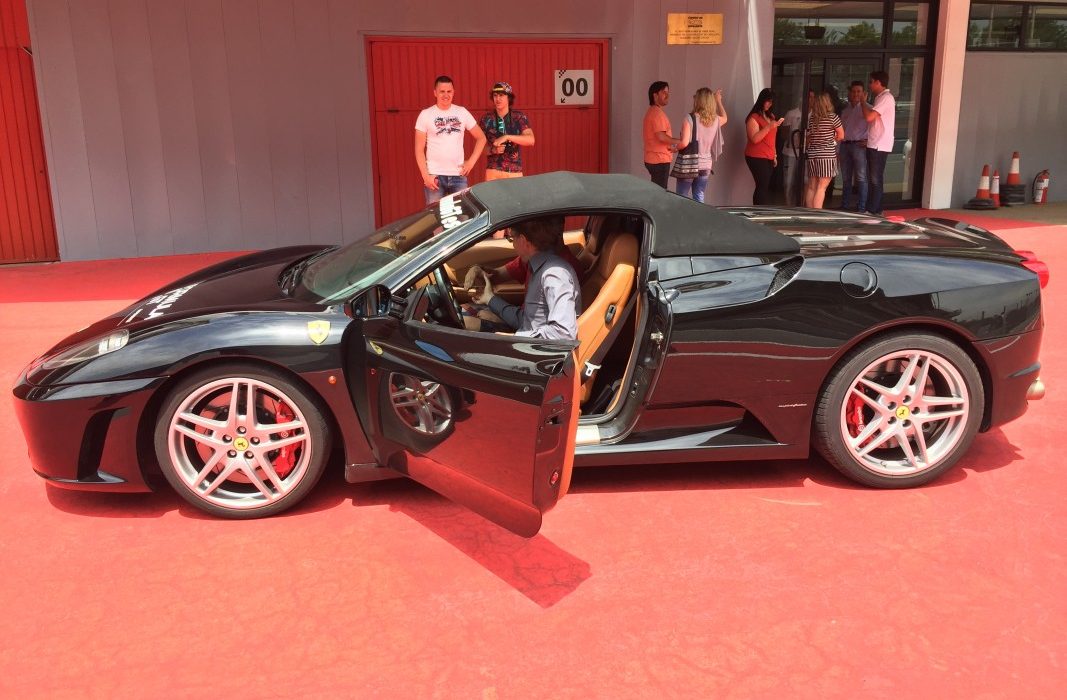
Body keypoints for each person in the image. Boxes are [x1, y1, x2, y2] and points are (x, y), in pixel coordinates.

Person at [481, 216, 581, 340]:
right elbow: (528, 321)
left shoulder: (554, 274)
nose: (513, 245)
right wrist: (490, 299)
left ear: (523, 240)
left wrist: (515, 338)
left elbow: (564, 333)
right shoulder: (538, 267)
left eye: (512, 239)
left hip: (533, 348)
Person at [415, 75, 487, 204]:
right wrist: (425, 176)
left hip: (458, 176)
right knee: (435, 215)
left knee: (462, 214)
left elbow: (481, 138)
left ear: (453, 92)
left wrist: (471, 163)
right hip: (435, 177)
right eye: (442, 91)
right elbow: (419, 149)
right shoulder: (425, 114)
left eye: (449, 91)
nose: (446, 95)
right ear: (435, 93)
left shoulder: (462, 112)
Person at [674, 87, 728, 203]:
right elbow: (725, 118)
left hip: (690, 164)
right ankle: (700, 215)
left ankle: (682, 215)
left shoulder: (690, 118)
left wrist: (674, 148)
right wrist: (718, 101)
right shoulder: (715, 120)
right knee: (699, 194)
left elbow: (684, 142)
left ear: (698, 100)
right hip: (706, 165)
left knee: (681, 196)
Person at [478, 81, 535, 180]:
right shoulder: (486, 119)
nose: (498, 99)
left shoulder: (519, 117)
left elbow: (531, 140)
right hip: (493, 170)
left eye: (501, 95)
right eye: (495, 95)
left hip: (514, 171)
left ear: (509, 97)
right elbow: (479, 148)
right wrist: (493, 150)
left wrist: (507, 137)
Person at [862, 70, 896, 215]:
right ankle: (877, 209)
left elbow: (869, 117)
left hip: (879, 144)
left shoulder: (886, 98)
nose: (869, 85)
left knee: (875, 179)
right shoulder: (880, 97)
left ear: (878, 82)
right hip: (875, 143)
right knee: (874, 178)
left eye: (871, 82)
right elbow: (874, 114)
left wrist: (862, 102)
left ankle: (873, 210)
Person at [803, 92, 844, 209]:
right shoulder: (833, 117)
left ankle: (810, 212)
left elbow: (810, 136)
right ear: (827, 103)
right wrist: (832, 140)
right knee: (821, 187)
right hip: (826, 155)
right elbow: (841, 135)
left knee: (812, 186)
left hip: (813, 154)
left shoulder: (812, 118)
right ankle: (817, 213)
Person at [744, 88, 785, 205]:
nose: (769, 104)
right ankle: (758, 211)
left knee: (764, 185)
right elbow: (754, 139)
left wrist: (774, 155)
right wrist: (768, 127)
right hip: (756, 156)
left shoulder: (771, 116)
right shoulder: (753, 117)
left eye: (771, 102)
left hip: (769, 156)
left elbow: (772, 139)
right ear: (762, 100)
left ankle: (760, 209)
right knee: (762, 184)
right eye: (768, 101)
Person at [838, 81, 870, 212]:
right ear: (849, 93)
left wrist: (870, 141)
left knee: (861, 177)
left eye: (859, 91)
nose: (856, 94)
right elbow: (840, 130)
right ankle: (845, 205)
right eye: (854, 91)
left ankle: (861, 207)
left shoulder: (869, 108)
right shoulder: (845, 110)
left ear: (863, 93)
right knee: (846, 177)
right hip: (845, 145)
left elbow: (875, 127)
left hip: (859, 146)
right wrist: (837, 149)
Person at [643, 81, 682, 189]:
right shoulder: (657, 113)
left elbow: (659, 138)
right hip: (659, 160)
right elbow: (661, 137)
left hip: (654, 158)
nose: (667, 95)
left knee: (657, 190)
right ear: (655, 95)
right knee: (660, 193)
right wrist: (681, 141)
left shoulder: (653, 111)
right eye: (664, 92)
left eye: (668, 92)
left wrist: (673, 146)